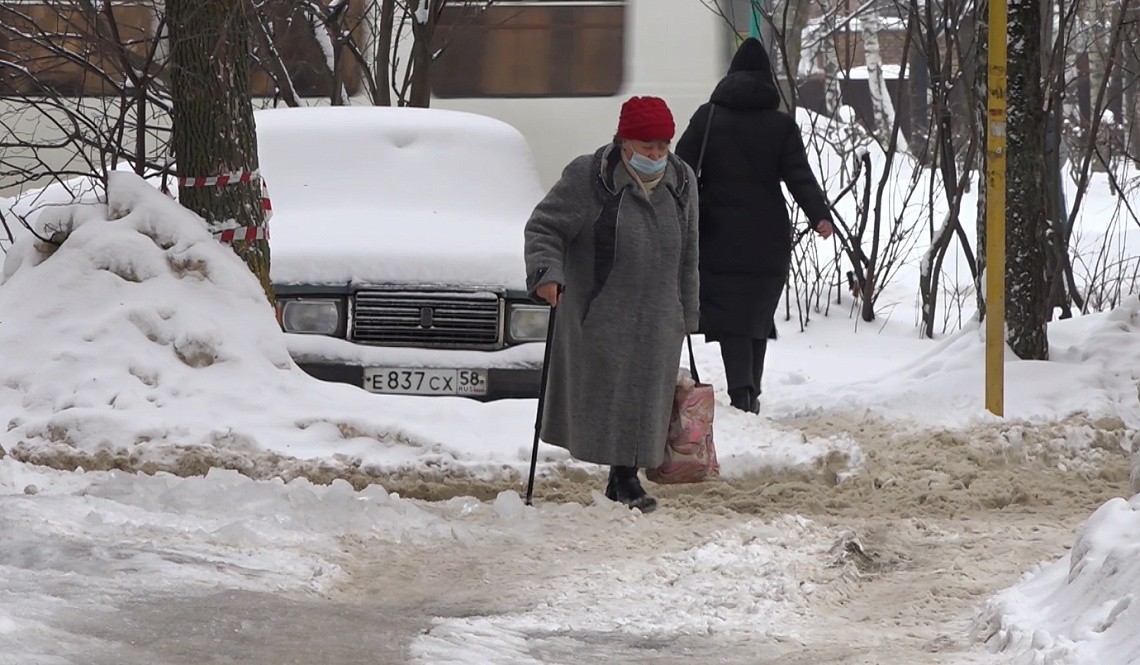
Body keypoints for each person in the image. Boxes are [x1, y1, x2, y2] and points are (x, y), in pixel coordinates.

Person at [524, 96, 700, 513]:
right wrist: (547, 274)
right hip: (601, 310)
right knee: (611, 394)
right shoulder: (589, 176)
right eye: (646, 147)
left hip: (659, 313)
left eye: (662, 146)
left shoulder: (682, 180)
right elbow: (544, 226)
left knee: (647, 396)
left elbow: (690, 250)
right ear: (623, 141)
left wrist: (687, 311)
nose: (656, 156)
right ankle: (622, 477)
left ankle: (626, 476)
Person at [675, 37, 833, 414]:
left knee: (731, 316)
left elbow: (680, 168)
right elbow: (800, 176)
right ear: (767, 79)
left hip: (716, 233)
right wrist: (819, 215)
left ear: (730, 76)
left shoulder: (707, 117)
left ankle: (743, 391)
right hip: (768, 237)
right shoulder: (780, 124)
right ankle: (750, 393)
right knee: (755, 314)